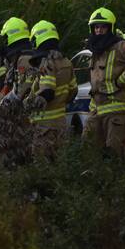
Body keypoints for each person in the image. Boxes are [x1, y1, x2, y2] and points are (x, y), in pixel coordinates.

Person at [83, 7, 125, 164]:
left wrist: (122, 80)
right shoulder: (95, 50)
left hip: (115, 110)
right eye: (96, 27)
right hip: (96, 110)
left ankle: (118, 183)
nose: (99, 31)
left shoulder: (120, 46)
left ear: (110, 28)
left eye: (103, 27)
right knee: (86, 148)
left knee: (114, 152)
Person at [25, 20, 78, 158]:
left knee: (42, 166)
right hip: (61, 123)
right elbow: (73, 91)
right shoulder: (67, 62)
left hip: (44, 127)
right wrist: (60, 104)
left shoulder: (46, 63)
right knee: (59, 164)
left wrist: (27, 105)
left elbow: (47, 92)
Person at [0, 16, 39, 103]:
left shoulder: (24, 59)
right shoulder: (27, 54)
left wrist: (2, 104)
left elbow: (21, 92)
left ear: (9, 37)